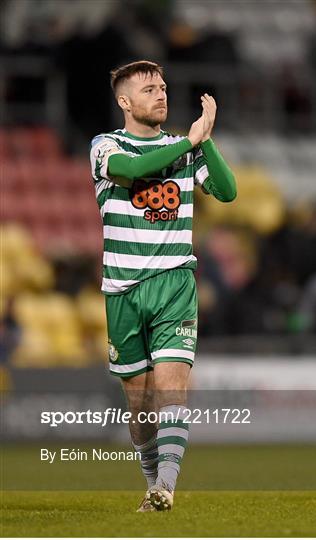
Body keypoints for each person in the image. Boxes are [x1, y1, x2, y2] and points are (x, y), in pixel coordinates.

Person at [89, 60, 236, 512]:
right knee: (140, 413)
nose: (161, 94)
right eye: (149, 88)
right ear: (124, 101)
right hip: (122, 291)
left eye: (164, 86)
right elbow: (132, 172)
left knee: (172, 391)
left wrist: (204, 142)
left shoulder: (184, 147)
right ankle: (152, 479)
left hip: (174, 282)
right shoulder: (104, 145)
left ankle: (165, 488)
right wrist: (190, 142)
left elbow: (227, 192)